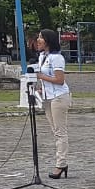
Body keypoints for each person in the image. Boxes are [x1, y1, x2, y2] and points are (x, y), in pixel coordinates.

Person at [33, 29, 72, 179]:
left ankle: (61, 164)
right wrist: (41, 86)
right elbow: (45, 78)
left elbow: (59, 80)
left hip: (59, 96)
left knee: (60, 131)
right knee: (55, 131)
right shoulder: (42, 56)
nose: (38, 40)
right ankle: (61, 162)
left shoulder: (57, 58)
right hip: (48, 97)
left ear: (48, 41)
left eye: (41, 38)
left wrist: (42, 76)